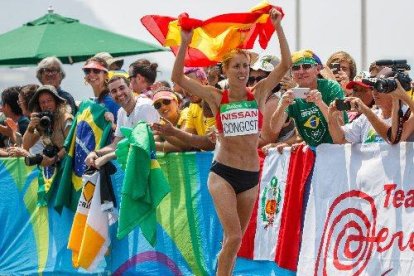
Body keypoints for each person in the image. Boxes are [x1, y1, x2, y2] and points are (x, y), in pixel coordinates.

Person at [171, 8, 290, 275]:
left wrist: (278, 27)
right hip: (222, 173)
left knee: (233, 242)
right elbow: (177, 78)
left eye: (246, 66)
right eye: (236, 66)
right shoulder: (215, 97)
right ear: (225, 70)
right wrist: (185, 42)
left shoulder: (258, 93)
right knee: (234, 236)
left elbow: (285, 65)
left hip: (250, 175)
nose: (242, 71)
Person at [270, 49, 346, 148]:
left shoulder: (332, 87)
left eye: (306, 66)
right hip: (313, 153)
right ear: (292, 73)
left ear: (318, 69)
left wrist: (320, 103)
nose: (301, 71)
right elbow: (275, 128)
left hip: (337, 149)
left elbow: (340, 124)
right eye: (296, 68)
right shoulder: (291, 95)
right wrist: (282, 106)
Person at [85, 76, 159, 168]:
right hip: (139, 166)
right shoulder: (121, 112)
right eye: (114, 91)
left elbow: (145, 144)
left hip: (156, 164)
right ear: (111, 95)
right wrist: (95, 153)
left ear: (130, 87)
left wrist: (106, 158)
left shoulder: (145, 106)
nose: (119, 93)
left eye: (121, 88)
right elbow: (116, 144)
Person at [22, 85, 73, 167]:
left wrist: (54, 159)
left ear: (56, 102)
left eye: (49, 100)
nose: (46, 105)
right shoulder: (42, 121)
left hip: (68, 167)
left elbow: (71, 145)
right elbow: (26, 146)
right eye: (42, 102)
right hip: (55, 170)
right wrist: (30, 128)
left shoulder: (66, 119)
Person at [83, 57, 120, 128]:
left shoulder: (113, 101)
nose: (91, 74)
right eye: (87, 71)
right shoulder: (91, 102)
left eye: (96, 70)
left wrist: (112, 125)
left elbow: (123, 131)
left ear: (106, 75)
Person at [8, 84, 42, 157]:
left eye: (20, 101)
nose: (19, 105)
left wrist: (11, 134)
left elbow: (25, 148)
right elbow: (25, 146)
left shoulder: (41, 122)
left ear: (29, 102)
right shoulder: (33, 121)